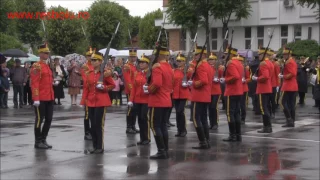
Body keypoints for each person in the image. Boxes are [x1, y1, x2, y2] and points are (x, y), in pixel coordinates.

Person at [80, 51, 115, 154]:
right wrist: (83, 100)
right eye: (92, 60)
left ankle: (100, 147)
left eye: (95, 60)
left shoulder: (105, 73)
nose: (93, 62)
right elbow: (86, 88)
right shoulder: (89, 73)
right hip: (91, 101)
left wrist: (104, 87)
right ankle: (94, 146)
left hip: (101, 102)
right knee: (93, 125)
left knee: (98, 125)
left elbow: (112, 85)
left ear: (100, 62)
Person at [145, 46, 173, 159]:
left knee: (155, 125)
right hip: (166, 100)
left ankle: (161, 150)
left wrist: (149, 89)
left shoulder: (158, 67)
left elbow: (157, 83)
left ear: (159, 55)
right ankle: (165, 149)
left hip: (157, 100)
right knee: (162, 126)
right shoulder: (169, 67)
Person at [188, 45, 213, 149]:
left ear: (202, 55)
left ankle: (203, 141)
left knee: (196, 118)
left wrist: (193, 83)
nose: (195, 56)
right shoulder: (207, 65)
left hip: (199, 96)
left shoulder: (201, 66)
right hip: (205, 95)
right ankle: (206, 140)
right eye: (195, 54)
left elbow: (204, 81)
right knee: (203, 119)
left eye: (197, 54)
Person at [30, 43, 55, 149]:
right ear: (40, 54)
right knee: (39, 119)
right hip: (40, 97)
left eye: (48, 53)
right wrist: (36, 98)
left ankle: (43, 139)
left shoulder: (47, 66)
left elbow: (47, 80)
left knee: (49, 119)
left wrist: (53, 82)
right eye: (45, 53)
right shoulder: (37, 66)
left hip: (49, 96)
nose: (47, 55)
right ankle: (38, 141)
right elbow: (34, 83)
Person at [128, 54, 150, 145]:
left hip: (146, 100)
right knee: (140, 119)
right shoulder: (138, 73)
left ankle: (147, 138)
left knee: (144, 119)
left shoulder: (150, 74)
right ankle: (142, 138)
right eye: (140, 62)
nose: (140, 64)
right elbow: (134, 88)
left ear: (147, 64)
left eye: (143, 62)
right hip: (138, 100)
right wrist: (131, 99)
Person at [221, 53, 244, 142]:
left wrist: (226, 80)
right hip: (238, 90)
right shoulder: (238, 63)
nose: (225, 55)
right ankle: (238, 135)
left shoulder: (231, 64)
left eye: (226, 54)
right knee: (236, 113)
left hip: (232, 91)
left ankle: (232, 135)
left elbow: (236, 76)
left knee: (230, 113)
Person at [252, 47, 273, 133]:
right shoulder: (270, 63)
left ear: (265, 55)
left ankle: (267, 126)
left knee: (263, 108)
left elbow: (265, 76)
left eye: (260, 54)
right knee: (266, 107)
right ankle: (268, 126)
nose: (259, 56)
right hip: (268, 88)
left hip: (263, 88)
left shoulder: (263, 64)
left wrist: (256, 78)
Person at [172, 53, 192, 137]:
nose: (178, 62)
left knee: (181, 111)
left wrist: (187, 84)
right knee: (177, 112)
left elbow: (191, 81)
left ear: (184, 62)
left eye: (180, 61)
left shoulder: (188, 70)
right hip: (176, 94)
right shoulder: (174, 71)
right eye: (177, 61)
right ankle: (179, 129)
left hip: (184, 94)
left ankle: (183, 129)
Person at [279, 48, 298, 127]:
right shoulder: (291, 61)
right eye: (283, 54)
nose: (284, 56)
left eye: (285, 54)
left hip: (288, 85)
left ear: (289, 54)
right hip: (293, 86)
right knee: (291, 104)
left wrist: (283, 76)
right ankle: (292, 120)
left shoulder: (289, 62)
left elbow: (292, 73)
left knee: (281, 102)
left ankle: (289, 119)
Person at [123, 49, 138, 134]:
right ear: (129, 57)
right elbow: (127, 79)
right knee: (130, 109)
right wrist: (132, 89)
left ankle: (133, 126)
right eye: (131, 56)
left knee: (134, 109)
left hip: (135, 90)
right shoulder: (127, 66)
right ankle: (129, 127)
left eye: (134, 56)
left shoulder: (135, 66)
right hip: (130, 90)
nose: (133, 58)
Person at [81, 47, 94, 140]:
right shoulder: (85, 67)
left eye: (91, 55)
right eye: (89, 56)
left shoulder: (96, 66)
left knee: (93, 115)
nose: (90, 57)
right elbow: (86, 80)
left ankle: (92, 131)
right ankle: (87, 132)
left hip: (95, 93)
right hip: (87, 93)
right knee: (87, 114)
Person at [207, 52, 221, 130]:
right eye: (210, 59)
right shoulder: (208, 68)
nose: (211, 61)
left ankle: (215, 123)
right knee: (209, 108)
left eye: (212, 60)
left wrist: (219, 79)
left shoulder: (219, 68)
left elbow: (223, 77)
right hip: (209, 91)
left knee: (214, 107)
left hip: (216, 91)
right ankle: (211, 123)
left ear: (215, 60)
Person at [238, 55, 250, 124]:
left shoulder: (245, 69)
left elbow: (249, 78)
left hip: (244, 88)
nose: (239, 62)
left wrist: (244, 80)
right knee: (237, 105)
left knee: (242, 105)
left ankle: (243, 118)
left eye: (240, 61)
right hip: (237, 89)